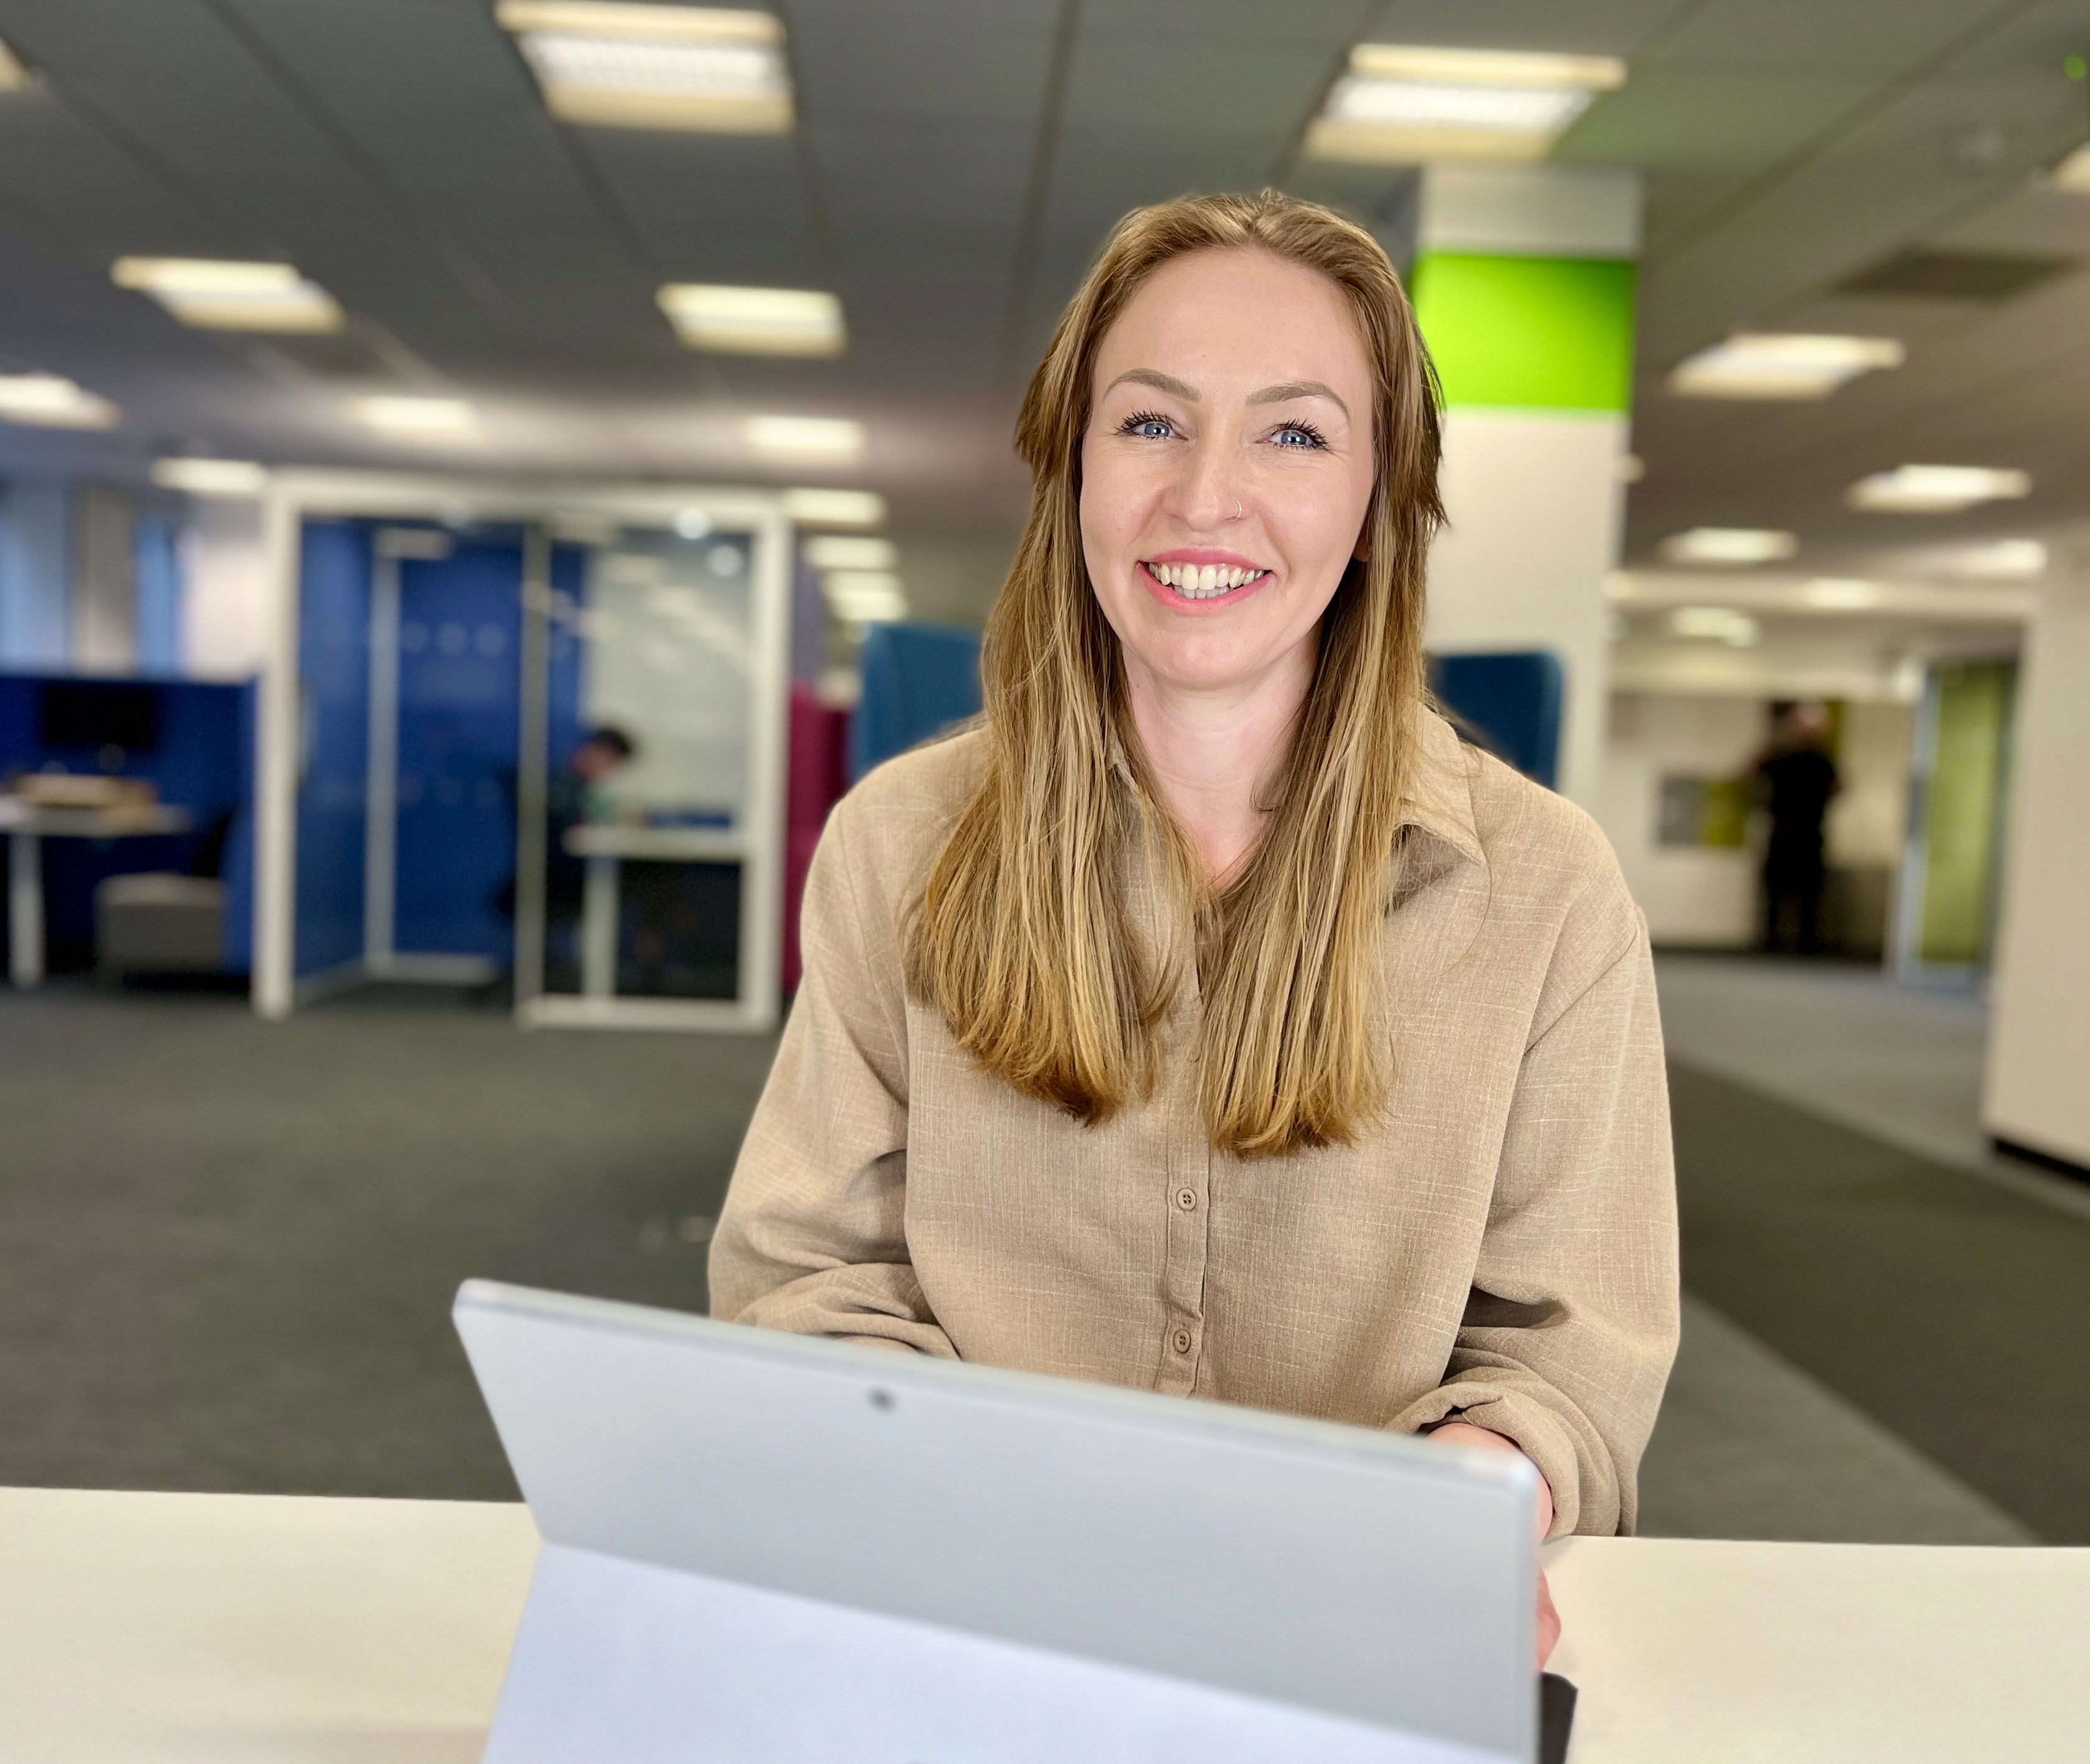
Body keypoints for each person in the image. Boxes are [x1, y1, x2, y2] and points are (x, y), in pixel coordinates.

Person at [708, 192, 1678, 1667]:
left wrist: (1484, 1473)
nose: (1205, 495)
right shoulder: (898, 846)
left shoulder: (1546, 889)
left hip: (1356, 1639)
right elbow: (806, 1273)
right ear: (1074, 467)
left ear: (1376, 499)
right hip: (973, 1618)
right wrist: (896, 1449)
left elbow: (1568, 1347)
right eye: (1151, 424)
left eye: (1294, 432)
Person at [540, 725, 634, 991]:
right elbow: (575, 834)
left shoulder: (575, 785)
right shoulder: (564, 786)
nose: (611, 771)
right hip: (561, 879)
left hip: (565, 875)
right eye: (612, 762)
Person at [1752, 701, 1841, 955]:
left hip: (1810, 835)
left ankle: (1806, 945)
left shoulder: (1822, 760)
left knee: (1809, 896)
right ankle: (1771, 943)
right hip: (1781, 834)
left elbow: (1839, 787)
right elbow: (1749, 772)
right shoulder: (1780, 756)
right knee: (1775, 894)